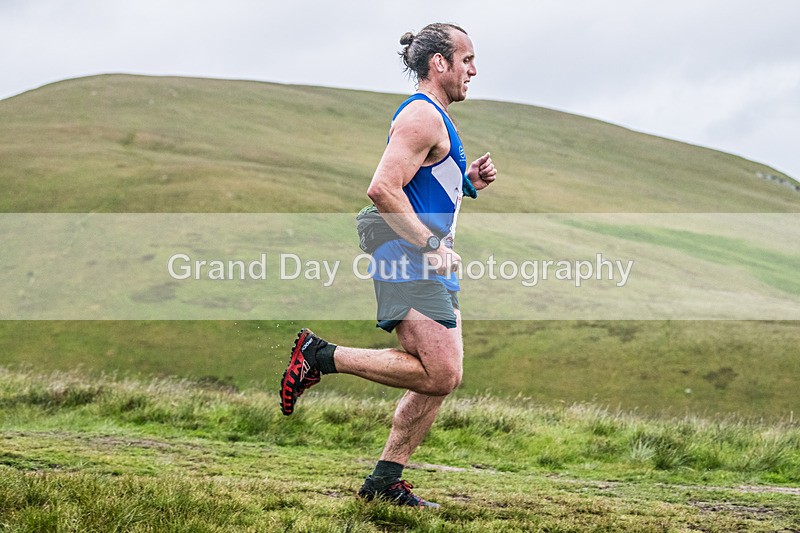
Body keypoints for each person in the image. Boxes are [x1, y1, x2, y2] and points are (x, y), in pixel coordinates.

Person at [280, 22, 497, 509]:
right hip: (408, 251)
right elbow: (382, 188)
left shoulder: (437, 119)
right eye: (467, 60)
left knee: (440, 374)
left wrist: (469, 180)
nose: (474, 70)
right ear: (439, 63)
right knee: (441, 373)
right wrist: (429, 244)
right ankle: (319, 355)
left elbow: (426, 183)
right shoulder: (422, 115)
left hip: (421, 253)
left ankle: (385, 481)